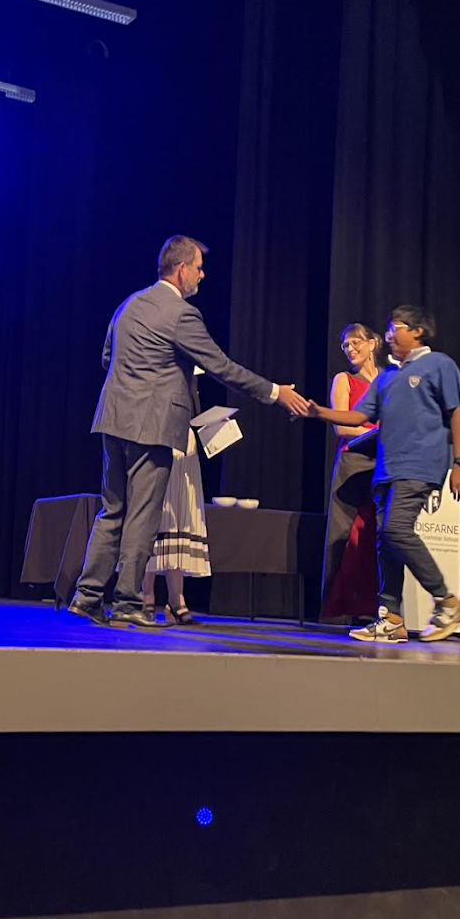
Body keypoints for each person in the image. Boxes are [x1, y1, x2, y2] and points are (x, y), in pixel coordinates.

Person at [69, 235, 310, 629]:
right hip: (152, 425)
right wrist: (274, 392)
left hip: (113, 420)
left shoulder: (129, 304)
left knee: (113, 510)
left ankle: (87, 596)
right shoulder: (181, 313)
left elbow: (107, 357)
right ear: (181, 270)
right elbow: (222, 367)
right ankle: (128, 602)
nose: (202, 275)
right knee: (142, 515)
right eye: (198, 268)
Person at [302, 305, 460, 644]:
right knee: (385, 540)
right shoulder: (387, 377)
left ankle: (448, 602)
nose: (390, 335)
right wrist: (318, 411)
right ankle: (391, 618)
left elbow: (457, 413)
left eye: (396, 328)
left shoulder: (439, 365)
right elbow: (357, 417)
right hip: (385, 471)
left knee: (396, 529)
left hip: (419, 466)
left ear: (417, 331)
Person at [319, 323, 384, 625]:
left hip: (382, 463)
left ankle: (374, 607)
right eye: (346, 345)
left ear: (373, 343)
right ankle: (342, 608)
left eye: (356, 342)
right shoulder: (344, 380)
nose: (351, 349)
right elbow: (341, 426)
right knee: (348, 534)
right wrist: (377, 433)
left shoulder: (387, 379)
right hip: (354, 463)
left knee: (375, 535)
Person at [140, 367, 210, 625]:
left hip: (184, 442)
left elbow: (193, 400)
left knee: (180, 516)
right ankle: (145, 596)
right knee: (152, 516)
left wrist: (210, 423)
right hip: (155, 433)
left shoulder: (191, 366)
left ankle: (176, 599)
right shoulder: (157, 360)